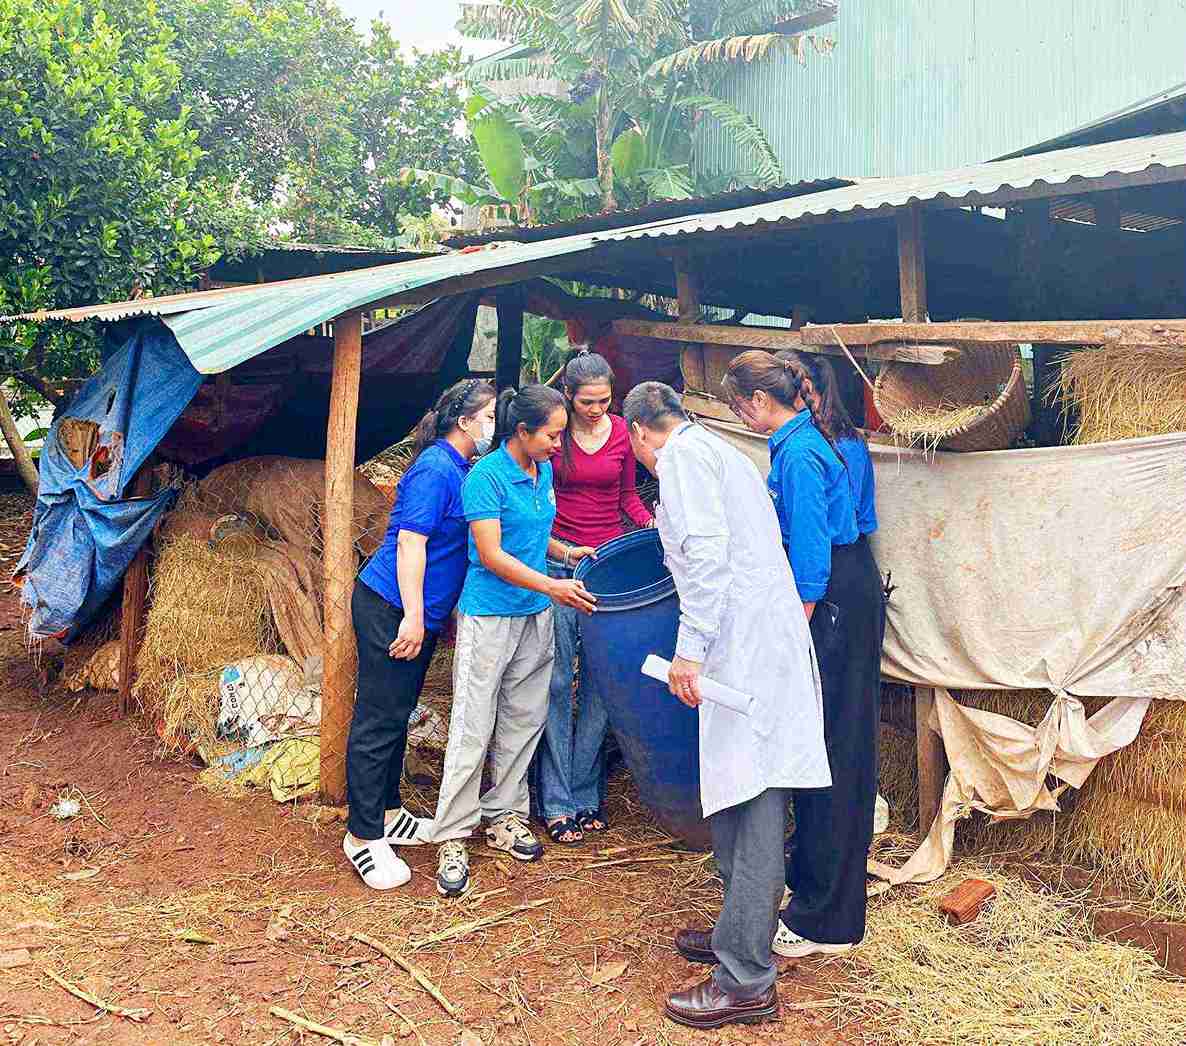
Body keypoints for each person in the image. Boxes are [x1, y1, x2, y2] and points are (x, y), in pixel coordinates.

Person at [623, 381, 830, 1031]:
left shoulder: (682, 460)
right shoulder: (720, 450)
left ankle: (745, 978)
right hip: (750, 646)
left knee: (756, 799)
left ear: (637, 434)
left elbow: (706, 558)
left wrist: (688, 650)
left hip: (746, 652)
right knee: (741, 795)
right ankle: (735, 934)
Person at [722, 350, 883, 961]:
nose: (743, 416)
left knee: (835, 753)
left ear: (761, 402)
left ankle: (828, 920)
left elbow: (812, 562)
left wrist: (791, 633)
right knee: (823, 748)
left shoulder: (796, 454)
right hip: (843, 592)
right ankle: (813, 890)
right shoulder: (807, 441)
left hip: (833, 601)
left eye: (741, 407)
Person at [428, 384, 599, 898]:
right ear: (521, 432)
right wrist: (553, 584)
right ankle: (454, 833)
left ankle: (505, 815)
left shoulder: (539, 471)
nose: (558, 446)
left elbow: (532, 531)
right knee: (473, 723)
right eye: (551, 435)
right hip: (490, 615)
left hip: (535, 612)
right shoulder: (484, 478)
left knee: (525, 718)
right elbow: (494, 554)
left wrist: (566, 552)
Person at [343, 379, 497, 890]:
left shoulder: (456, 467)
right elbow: (411, 544)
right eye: (489, 417)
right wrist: (412, 616)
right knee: (378, 719)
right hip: (391, 606)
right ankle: (362, 835)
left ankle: (386, 812)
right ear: (464, 421)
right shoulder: (435, 468)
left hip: (417, 612)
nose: (492, 426)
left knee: (397, 714)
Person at [534, 349, 653, 845]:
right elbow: (538, 504)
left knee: (603, 684)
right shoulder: (555, 437)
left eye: (605, 401)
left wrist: (654, 527)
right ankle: (557, 800)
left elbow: (628, 497)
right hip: (560, 564)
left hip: (608, 568)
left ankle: (587, 794)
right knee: (559, 681)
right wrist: (559, 548)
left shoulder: (624, 432)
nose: (597, 410)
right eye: (587, 402)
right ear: (568, 396)